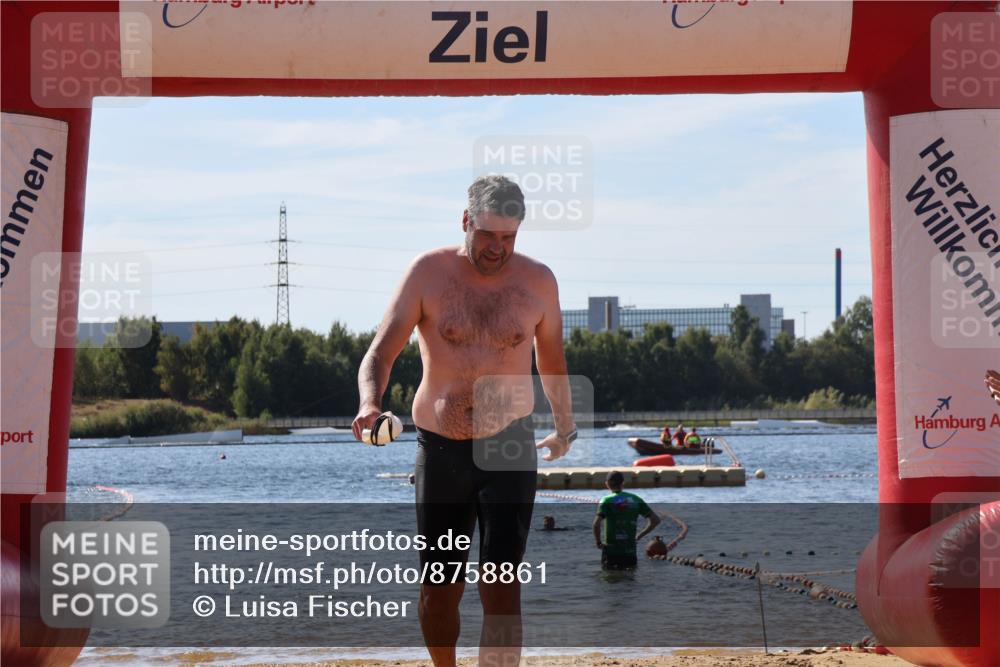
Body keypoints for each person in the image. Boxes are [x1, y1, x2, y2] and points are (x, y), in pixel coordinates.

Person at [352, 175, 577, 667]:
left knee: (501, 585)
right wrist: (370, 403)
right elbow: (380, 353)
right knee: (439, 589)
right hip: (442, 448)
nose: (498, 248)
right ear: (465, 221)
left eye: (509, 238)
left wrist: (564, 427)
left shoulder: (538, 281)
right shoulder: (428, 273)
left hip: (509, 445)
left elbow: (553, 361)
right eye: (488, 235)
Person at [593, 471, 661, 570]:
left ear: (607, 484)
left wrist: (598, 542)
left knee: (609, 580)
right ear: (623, 483)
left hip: (611, 552)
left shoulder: (606, 500)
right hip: (630, 552)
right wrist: (639, 536)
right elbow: (655, 520)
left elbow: (596, 524)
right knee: (630, 580)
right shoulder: (635, 499)